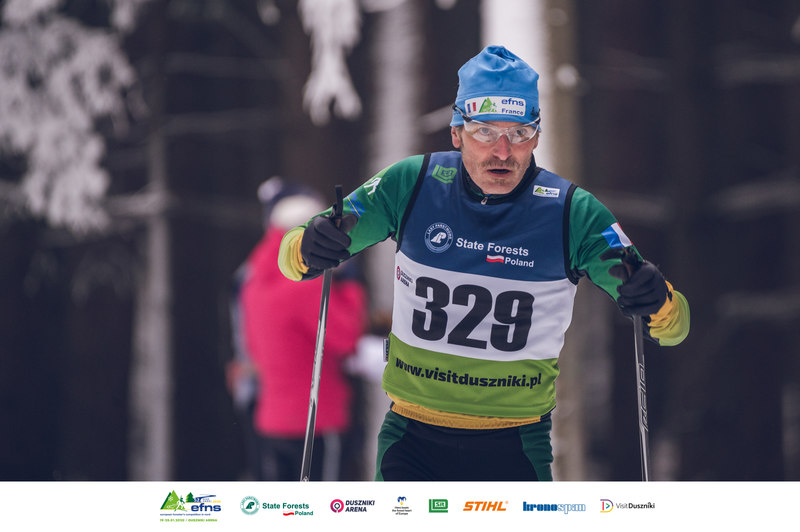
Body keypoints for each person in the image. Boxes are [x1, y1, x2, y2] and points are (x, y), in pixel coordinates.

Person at [277, 46, 690, 481]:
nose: (503, 151)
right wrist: (308, 247)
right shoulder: (411, 184)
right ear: (456, 133)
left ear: (537, 137)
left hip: (515, 445)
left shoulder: (572, 213)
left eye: (520, 133)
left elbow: (674, 327)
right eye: (485, 132)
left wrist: (658, 302)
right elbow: (293, 260)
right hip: (411, 441)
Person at [232, 177, 367, 481]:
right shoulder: (305, 284)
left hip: (271, 418)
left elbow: (252, 349)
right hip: (316, 421)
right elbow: (347, 338)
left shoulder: (253, 280)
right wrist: (351, 284)